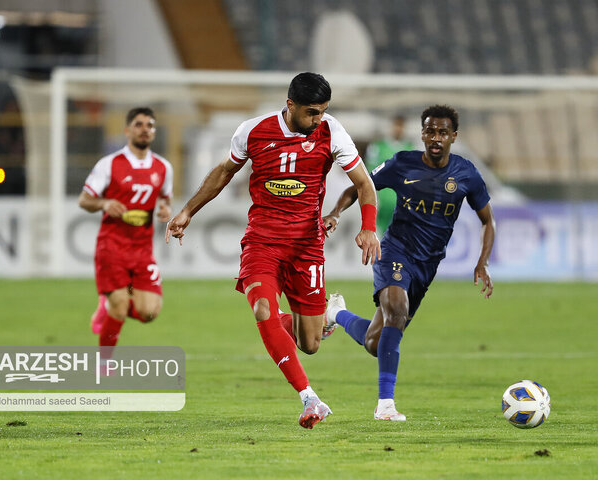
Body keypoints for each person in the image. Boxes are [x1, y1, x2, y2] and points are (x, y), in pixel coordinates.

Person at [166, 72, 380, 429]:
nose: (318, 120)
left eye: (323, 112)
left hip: (306, 247)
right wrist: (188, 210)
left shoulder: (332, 132)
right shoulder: (253, 131)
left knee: (308, 343)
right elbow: (223, 172)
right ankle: (310, 398)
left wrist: (369, 226)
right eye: (312, 112)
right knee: (263, 308)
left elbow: (364, 183)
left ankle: (327, 317)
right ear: (290, 105)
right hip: (262, 242)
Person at [322, 104, 495, 421]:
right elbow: (359, 187)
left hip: (426, 267)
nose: (436, 137)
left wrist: (482, 262)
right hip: (395, 250)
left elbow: (488, 221)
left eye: (443, 132)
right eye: (430, 130)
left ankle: (335, 312)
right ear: (422, 134)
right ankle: (385, 405)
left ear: (453, 137)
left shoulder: (466, 173)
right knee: (396, 310)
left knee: (376, 341)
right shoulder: (403, 164)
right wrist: (335, 212)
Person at [79, 107, 172, 357]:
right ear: (127, 130)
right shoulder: (109, 164)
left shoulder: (163, 167)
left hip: (142, 249)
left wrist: (165, 210)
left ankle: (108, 305)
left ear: (154, 132)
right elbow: (84, 200)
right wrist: (104, 203)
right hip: (112, 245)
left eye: (150, 125)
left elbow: (165, 198)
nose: (145, 129)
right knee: (119, 306)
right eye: (139, 124)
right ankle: (104, 362)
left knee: (149, 312)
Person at [365, 115, 415, 236]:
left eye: (401, 126)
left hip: (401, 201)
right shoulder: (378, 147)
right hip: (381, 199)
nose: (398, 129)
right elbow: (369, 173)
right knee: (379, 234)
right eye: (396, 126)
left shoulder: (410, 149)